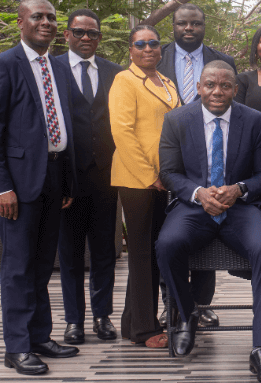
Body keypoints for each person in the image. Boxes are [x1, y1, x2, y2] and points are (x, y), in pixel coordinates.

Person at [155, 61, 261, 383]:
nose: (217, 92)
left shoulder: (254, 121)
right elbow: (168, 173)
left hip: (242, 208)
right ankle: (187, 314)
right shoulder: (176, 120)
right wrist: (198, 193)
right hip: (194, 208)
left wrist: (239, 189)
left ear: (235, 90)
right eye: (210, 84)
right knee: (166, 244)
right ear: (199, 87)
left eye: (225, 85)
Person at [0, 0, 79, 375]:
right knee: (18, 266)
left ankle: (39, 337)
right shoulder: (2, 65)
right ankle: (17, 347)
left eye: (51, 17)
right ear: (21, 22)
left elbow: (63, 124)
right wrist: (2, 186)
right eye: (37, 16)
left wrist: (66, 181)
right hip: (18, 184)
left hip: (53, 177)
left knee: (41, 265)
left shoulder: (58, 67)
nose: (46, 22)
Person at [156, 3, 238, 328]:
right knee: (169, 236)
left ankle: (202, 303)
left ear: (204, 26)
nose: (189, 28)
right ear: (173, 26)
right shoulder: (158, 58)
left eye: (195, 23)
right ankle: (172, 303)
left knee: (210, 220)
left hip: (211, 156)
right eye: (182, 23)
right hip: (171, 158)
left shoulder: (222, 60)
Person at [56, 9, 124, 346]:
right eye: (79, 32)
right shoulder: (52, 69)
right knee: (69, 254)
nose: (86, 38)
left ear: (99, 37)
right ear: (66, 34)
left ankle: (102, 315)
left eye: (92, 33)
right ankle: (74, 321)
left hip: (105, 177)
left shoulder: (116, 73)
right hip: (66, 178)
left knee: (104, 251)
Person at [109, 25, 179, 348]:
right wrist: (149, 175)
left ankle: (131, 322)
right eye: (140, 44)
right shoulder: (124, 81)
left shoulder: (167, 82)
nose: (148, 48)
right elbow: (122, 132)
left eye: (153, 43)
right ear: (131, 50)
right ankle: (144, 330)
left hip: (164, 179)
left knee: (150, 253)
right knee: (142, 254)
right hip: (138, 180)